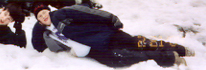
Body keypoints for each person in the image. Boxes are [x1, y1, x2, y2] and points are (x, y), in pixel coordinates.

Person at [32, 4, 194, 68]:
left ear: (50, 11)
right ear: (38, 22)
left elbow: (88, 13)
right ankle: (170, 58)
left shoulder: (61, 14)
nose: (44, 16)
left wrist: (111, 18)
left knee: (137, 43)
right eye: (40, 16)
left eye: (45, 12)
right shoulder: (48, 34)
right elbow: (36, 44)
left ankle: (179, 48)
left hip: (103, 35)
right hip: (94, 51)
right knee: (122, 59)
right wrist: (38, 27)